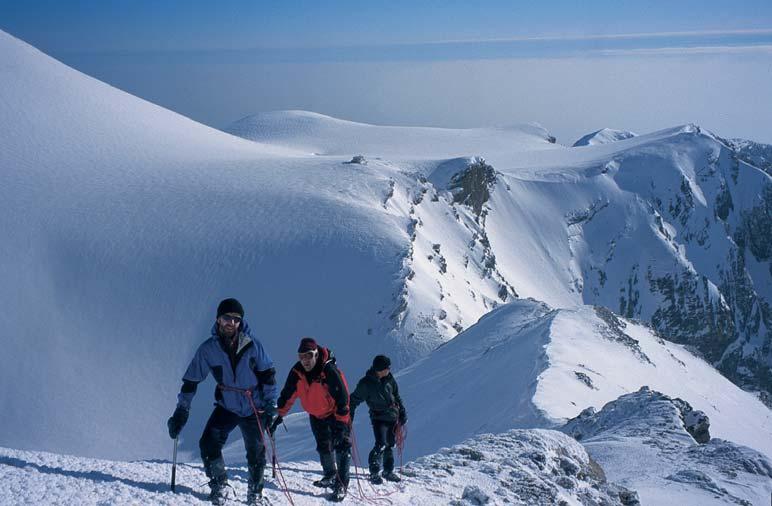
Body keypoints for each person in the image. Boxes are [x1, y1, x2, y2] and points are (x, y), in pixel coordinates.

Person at [167, 298, 278, 506]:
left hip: (253, 405)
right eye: (227, 318)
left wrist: (271, 405)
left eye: (236, 319)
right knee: (208, 444)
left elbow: (268, 375)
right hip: (227, 405)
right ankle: (220, 486)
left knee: (256, 452)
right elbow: (191, 381)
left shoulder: (253, 345)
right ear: (218, 319)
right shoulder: (208, 350)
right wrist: (181, 411)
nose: (231, 323)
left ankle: (255, 495)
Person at [270, 337, 351, 502]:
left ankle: (341, 485)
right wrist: (279, 416)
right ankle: (329, 475)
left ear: (315, 354)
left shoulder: (328, 371)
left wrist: (342, 423)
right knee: (323, 446)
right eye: (301, 356)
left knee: (341, 447)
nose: (305, 360)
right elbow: (287, 396)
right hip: (316, 415)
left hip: (335, 414)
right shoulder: (297, 373)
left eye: (308, 355)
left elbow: (343, 398)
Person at [349, 354, 407, 484]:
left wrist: (402, 411)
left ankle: (388, 471)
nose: (389, 370)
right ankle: (374, 472)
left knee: (390, 445)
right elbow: (353, 400)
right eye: (387, 368)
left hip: (393, 416)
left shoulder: (389, 379)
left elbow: (396, 396)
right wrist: (349, 416)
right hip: (378, 417)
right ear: (379, 369)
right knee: (381, 444)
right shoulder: (366, 384)